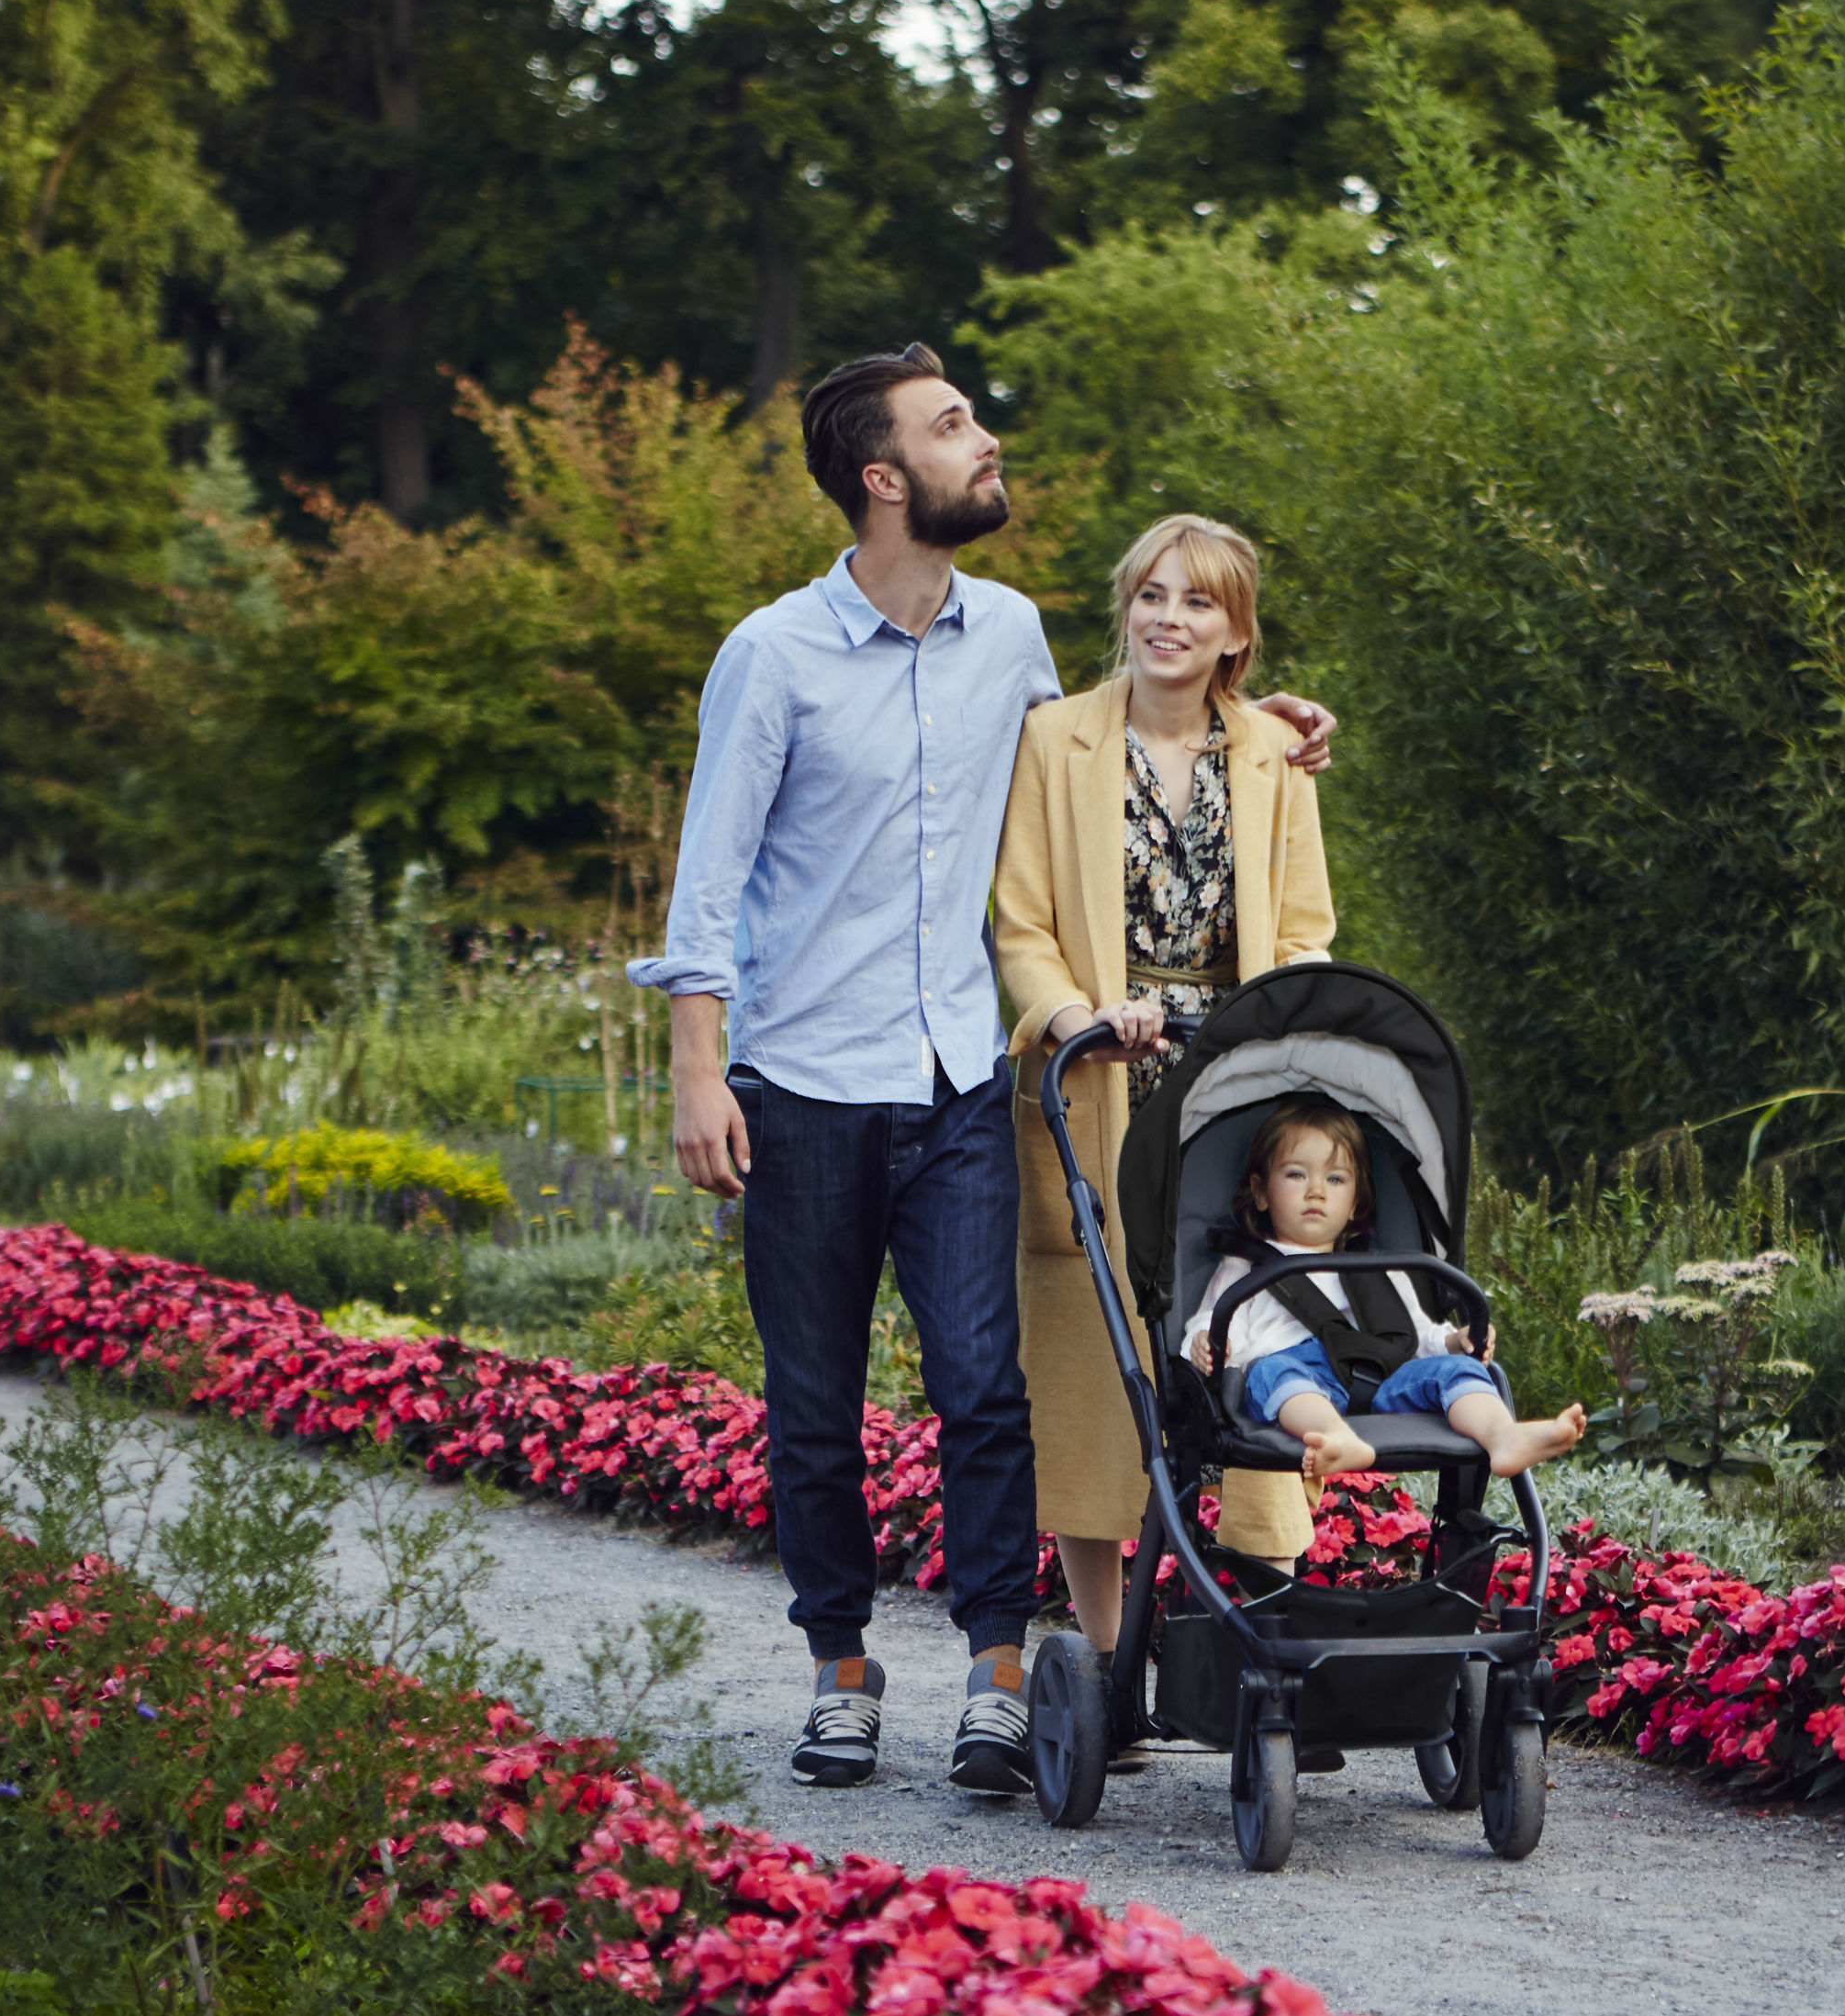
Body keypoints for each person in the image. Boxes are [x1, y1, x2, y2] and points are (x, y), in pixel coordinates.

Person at [628, 347, 1336, 1793]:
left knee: (986, 1388)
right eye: (954, 428)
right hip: (804, 1085)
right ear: (885, 478)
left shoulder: (1008, 633)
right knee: (813, 1400)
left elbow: (1122, 740)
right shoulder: (771, 655)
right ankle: (838, 1665)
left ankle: (1002, 1675)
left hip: (962, 1077)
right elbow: (707, 889)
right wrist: (699, 1074)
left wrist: (1269, 724)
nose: (985, 439)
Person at [994, 514, 1333, 1747]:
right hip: (1097, 1079)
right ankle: (1105, 1662)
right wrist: (1077, 1016)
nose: (1167, 618)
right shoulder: (1055, 740)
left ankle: (1262, 1637)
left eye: (1196, 603)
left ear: (1235, 631)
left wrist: (1273, 1036)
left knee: (1241, 1338)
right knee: (1097, 1370)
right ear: (1123, 607)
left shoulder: (1275, 754)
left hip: (1231, 1089)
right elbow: (1019, 919)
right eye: (1149, 594)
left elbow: (1301, 927)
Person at [1187, 1100, 1589, 1485]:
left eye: (1335, 1179)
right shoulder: (1246, 1267)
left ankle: (1503, 1436)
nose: (1316, 1191)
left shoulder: (1381, 1269)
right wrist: (1208, 1343)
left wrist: (1454, 1342)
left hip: (1384, 1376)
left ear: (1355, 1201)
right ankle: (1335, 1436)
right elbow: (1214, 1321)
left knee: (1460, 1370)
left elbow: (1416, 1335)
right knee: (1271, 1372)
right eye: (1296, 1174)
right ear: (1260, 1192)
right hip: (1299, 1376)